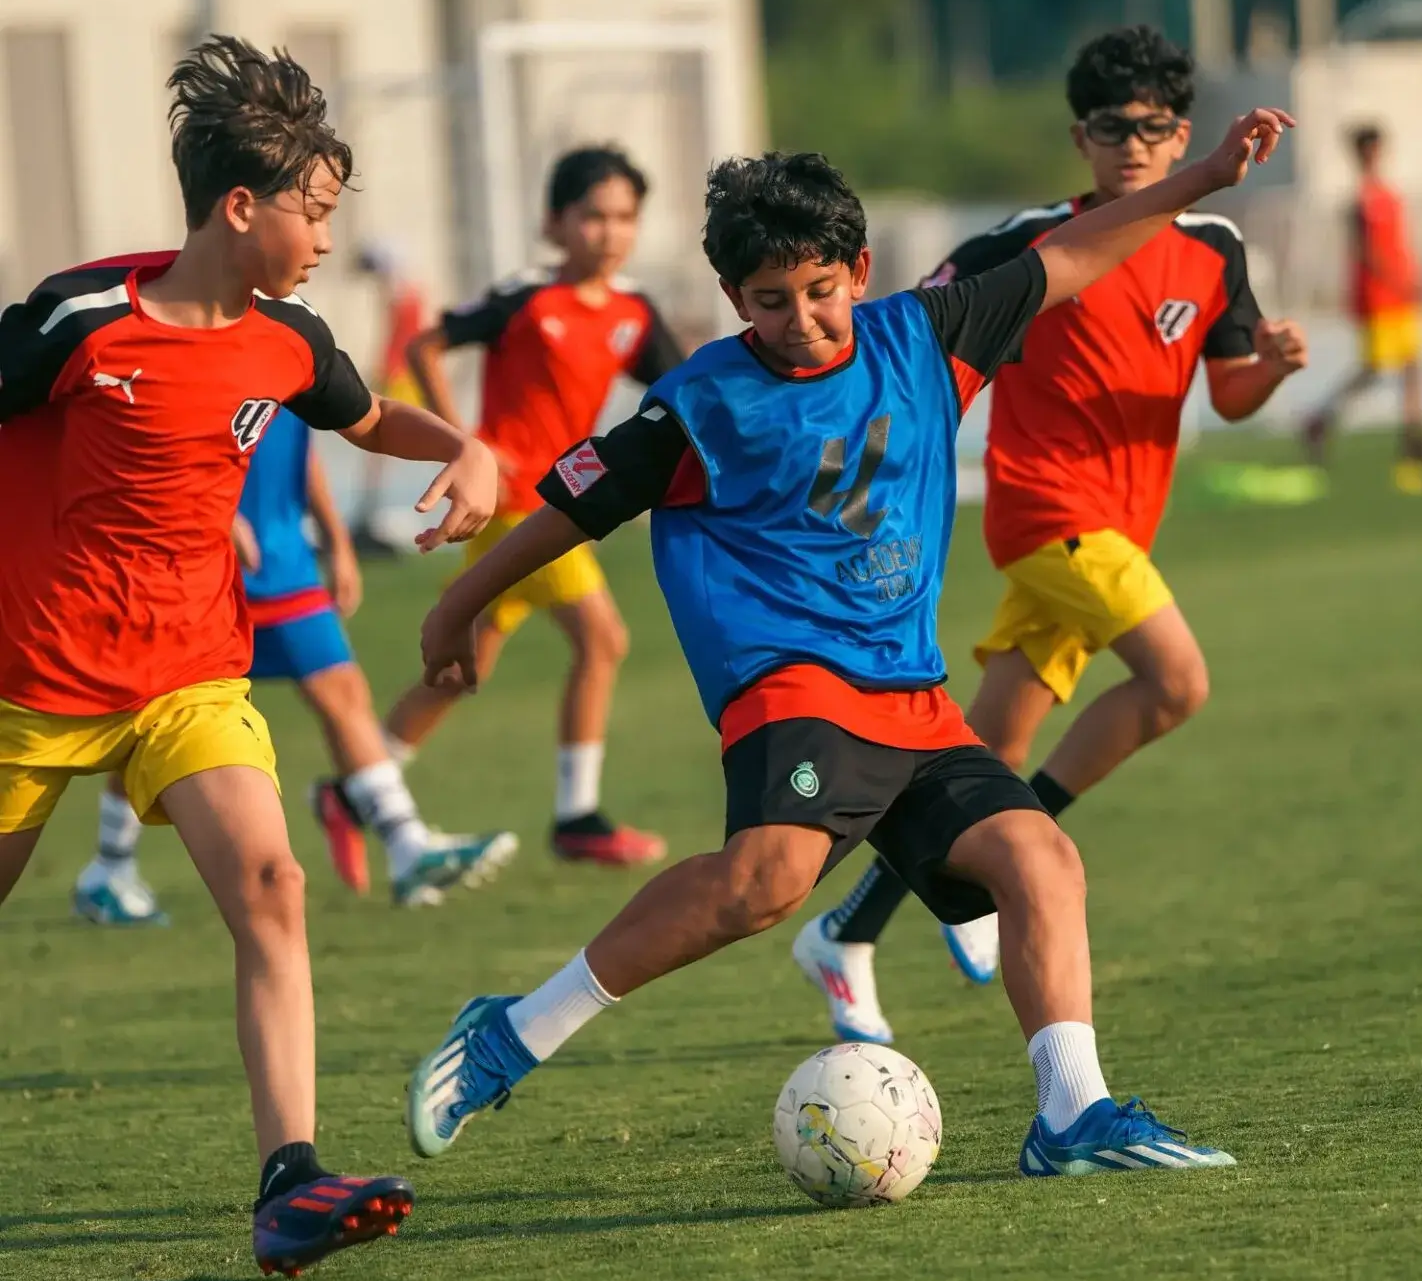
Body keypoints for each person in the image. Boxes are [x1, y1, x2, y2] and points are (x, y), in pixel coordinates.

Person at [405, 104, 1293, 1180]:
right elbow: (569, 508)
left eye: (820, 291)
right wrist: (455, 609)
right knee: (769, 880)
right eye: (770, 301)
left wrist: (1201, 178)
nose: (802, 320)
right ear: (734, 300)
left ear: (859, 271)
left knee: (1041, 861)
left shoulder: (926, 334)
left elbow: (1072, 255)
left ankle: (1071, 1116)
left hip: (909, 696)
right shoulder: (699, 405)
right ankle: (511, 1033)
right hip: (792, 683)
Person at [0, 36, 501, 1274]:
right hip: (32, 684)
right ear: (241, 206)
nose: (327, 236)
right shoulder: (75, 320)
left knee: (273, 890)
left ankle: (290, 1183)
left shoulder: (287, 336)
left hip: (189, 677)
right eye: (314, 211)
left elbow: (370, 415)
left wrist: (468, 448)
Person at [795, 25, 1309, 1044]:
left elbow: (1233, 392)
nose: (1134, 145)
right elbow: (904, 318)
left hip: (1119, 534)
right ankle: (994, 877)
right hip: (1044, 511)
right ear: (1082, 138)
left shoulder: (1215, 250)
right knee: (1176, 684)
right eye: (1113, 128)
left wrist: (1279, 366)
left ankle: (848, 929)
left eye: (1155, 127)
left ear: (1181, 136)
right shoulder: (1030, 238)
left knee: (986, 747)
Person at [71, 406, 516, 922]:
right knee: (157, 713)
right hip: (200, 557)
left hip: (285, 559)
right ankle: (110, 867)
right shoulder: (189, 338)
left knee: (342, 691)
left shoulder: (292, 336)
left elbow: (309, 442)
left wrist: (336, 538)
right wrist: (205, 506)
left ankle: (406, 845)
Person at [383, 147, 685, 866]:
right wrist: (466, 441)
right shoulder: (525, 298)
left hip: (558, 504)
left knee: (463, 666)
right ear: (555, 224)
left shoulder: (633, 313)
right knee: (602, 640)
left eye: (623, 218)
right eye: (592, 216)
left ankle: (364, 783)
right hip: (521, 506)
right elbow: (426, 345)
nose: (609, 233)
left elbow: (687, 387)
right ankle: (578, 816)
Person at [1303, 124, 1422, 492]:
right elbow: (1366, 252)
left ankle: (1414, 445)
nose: (1374, 155)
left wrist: (1412, 278)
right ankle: (1319, 421)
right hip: (1379, 299)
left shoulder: (1389, 194)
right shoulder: (1359, 201)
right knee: (1373, 370)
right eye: (1368, 150)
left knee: (1413, 367)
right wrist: (1397, 279)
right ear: (1359, 154)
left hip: (1402, 296)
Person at [350, 240, 427, 557]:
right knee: (380, 449)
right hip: (399, 373)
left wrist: (382, 371)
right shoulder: (409, 293)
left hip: (397, 375)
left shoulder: (400, 294)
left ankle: (371, 513)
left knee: (379, 446)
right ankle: (369, 513)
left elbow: (395, 341)